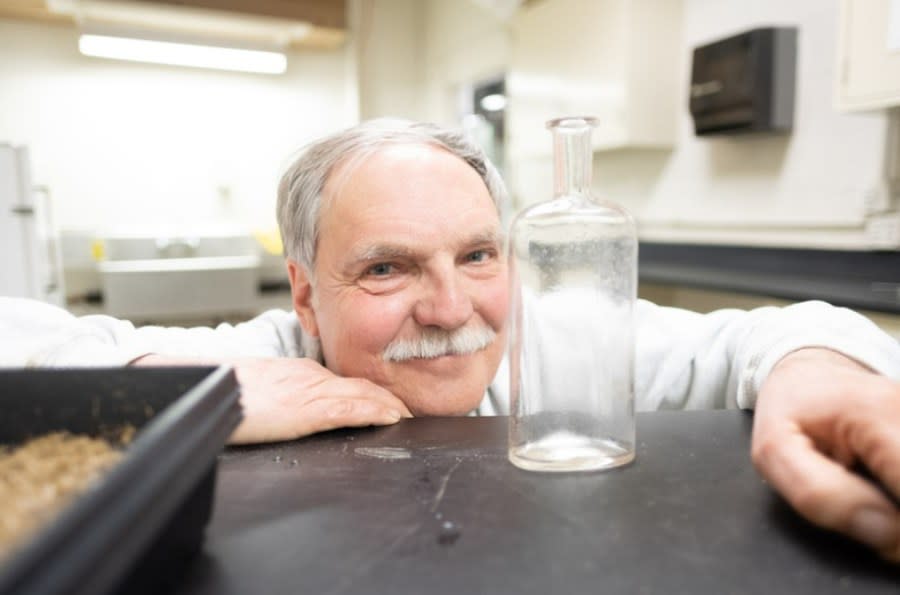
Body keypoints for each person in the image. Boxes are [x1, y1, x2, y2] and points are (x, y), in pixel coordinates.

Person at [2, 118, 900, 561]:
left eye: (477, 254)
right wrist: (178, 387)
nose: (450, 308)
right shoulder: (272, 354)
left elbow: (779, 331)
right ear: (307, 295)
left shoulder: (553, 338)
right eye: (388, 269)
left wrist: (820, 371)